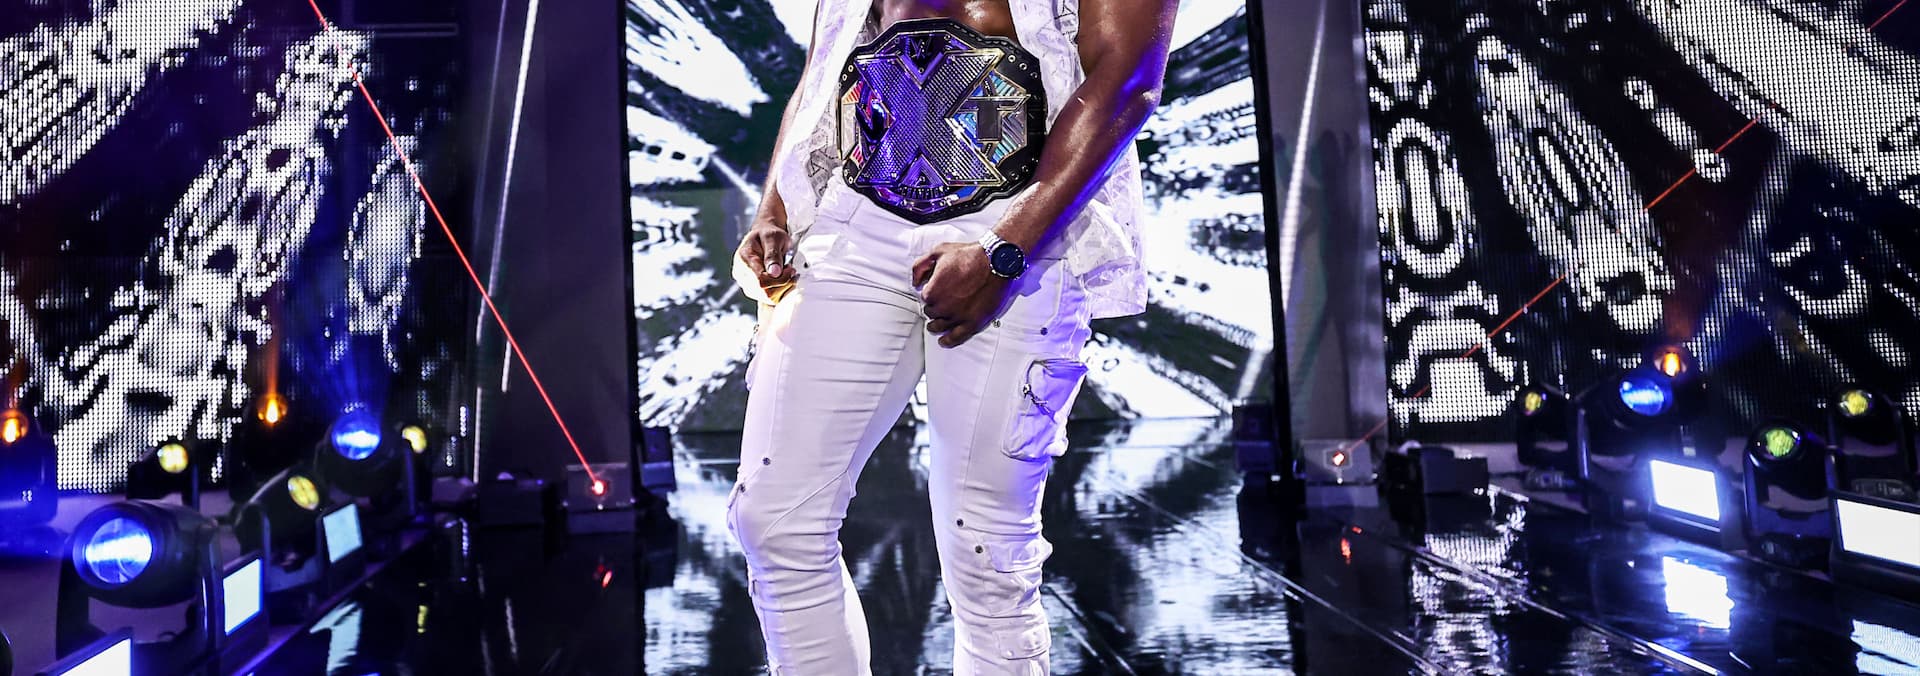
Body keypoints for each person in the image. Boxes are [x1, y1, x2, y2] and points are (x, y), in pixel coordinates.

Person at [728, 0, 1176, 673]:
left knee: (987, 555)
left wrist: (1005, 248)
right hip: (858, 213)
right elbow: (828, 55)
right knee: (773, 520)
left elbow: (1128, 75)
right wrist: (777, 208)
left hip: (1021, 216)